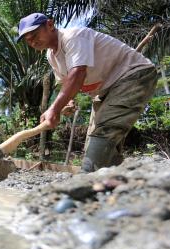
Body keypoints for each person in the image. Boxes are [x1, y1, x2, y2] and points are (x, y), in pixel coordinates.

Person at [17, 13, 157, 172]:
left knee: (105, 131)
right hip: (107, 90)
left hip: (132, 75)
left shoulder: (73, 36)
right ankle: (116, 182)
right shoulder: (51, 56)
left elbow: (77, 73)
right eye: (28, 40)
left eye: (35, 34)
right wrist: (68, 102)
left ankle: (85, 181)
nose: (33, 41)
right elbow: (65, 82)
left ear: (50, 25)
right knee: (105, 144)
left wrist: (54, 109)